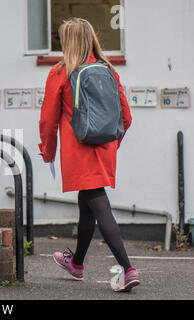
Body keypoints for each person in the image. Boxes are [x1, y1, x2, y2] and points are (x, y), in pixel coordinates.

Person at [38, 18, 139, 292]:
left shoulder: (61, 71)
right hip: (105, 148)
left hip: (79, 152)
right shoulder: (107, 69)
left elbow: (48, 120)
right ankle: (77, 263)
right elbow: (125, 117)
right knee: (87, 204)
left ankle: (128, 269)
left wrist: (47, 152)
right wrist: (111, 146)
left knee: (98, 203)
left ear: (67, 42)